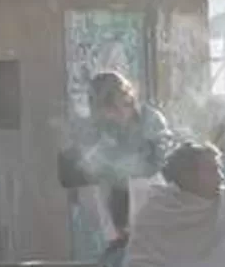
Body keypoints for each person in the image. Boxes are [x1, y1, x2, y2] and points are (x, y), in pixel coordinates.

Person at [59, 72, 175, 252]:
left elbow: (155, 162)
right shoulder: (102, 124)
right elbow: (85, 160)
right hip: (115, 194)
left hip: (148, 188)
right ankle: (117, 241)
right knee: (97, 188)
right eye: (105, 110)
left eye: (115, 107)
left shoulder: (150, 119)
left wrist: (120, 163)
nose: (112, 115)